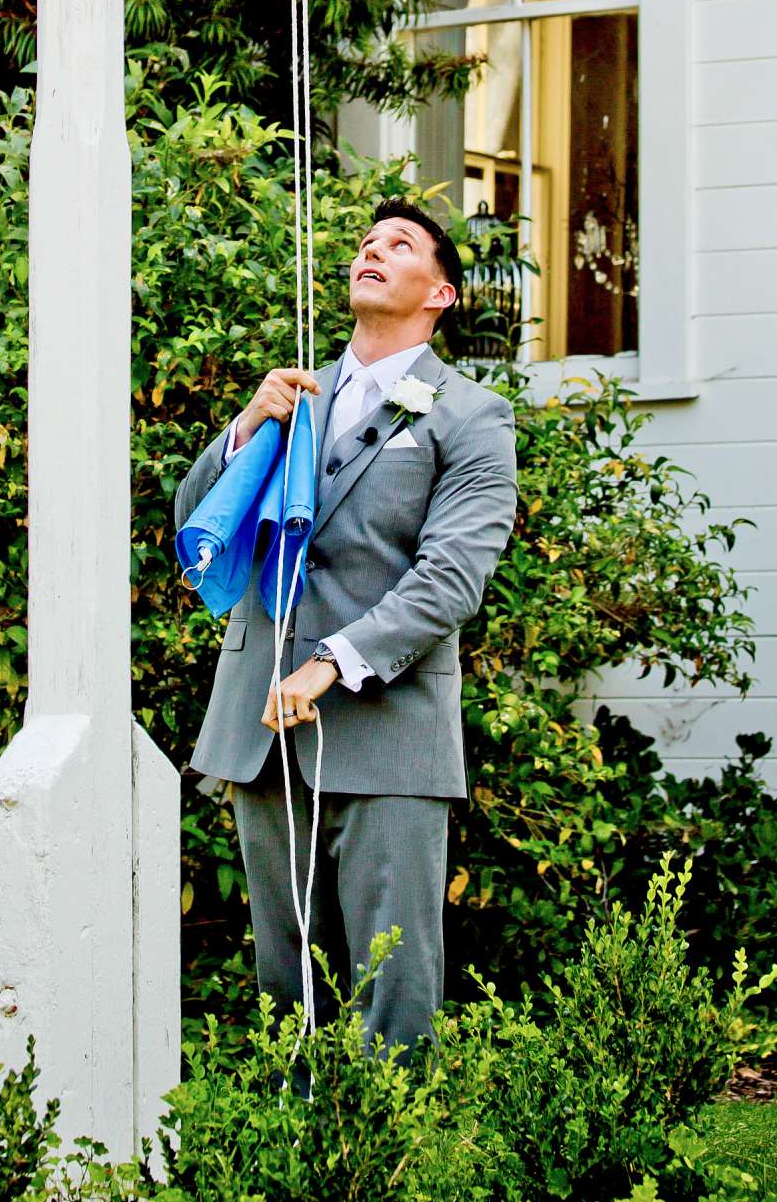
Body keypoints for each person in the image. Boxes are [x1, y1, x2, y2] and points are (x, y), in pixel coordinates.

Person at [172, 197, 518, 1056]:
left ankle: (391, 1174)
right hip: (262, 729)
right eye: (367, 243)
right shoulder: (295, 398)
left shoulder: (470, 415)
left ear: (439, 294)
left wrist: (333, 662)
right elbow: (199, 532)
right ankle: (293, 1175)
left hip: (388, 733)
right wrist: (250, 424)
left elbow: (451, 578)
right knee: (286, 990)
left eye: (400, 246)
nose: (374, 251)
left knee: (391, 990)